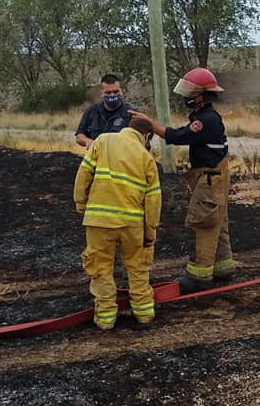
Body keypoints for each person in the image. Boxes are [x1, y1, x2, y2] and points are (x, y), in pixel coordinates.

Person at [132, 67, 235, 293]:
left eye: (190, 92)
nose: (186, 97)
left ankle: (198, 274)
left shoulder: (207, 120)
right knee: (217, 220)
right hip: (213, 177)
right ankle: (222, 266)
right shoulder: (204, 116)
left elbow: (176, 136)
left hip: (209, 178)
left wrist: (150, 124)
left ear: (201, 95)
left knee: (201, 222)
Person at [73, 117, 162, 329]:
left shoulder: (103, 141)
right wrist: (150, 232)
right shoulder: (145, 157)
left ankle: (105, 318)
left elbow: (83, 174)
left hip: (99, 221)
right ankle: (144, 313)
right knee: (138, 267)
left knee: (100, 269)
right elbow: (153, 200)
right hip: (132, 224)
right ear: (147, 136)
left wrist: (82, 205)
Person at [74, 74, 136, 148]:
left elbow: (140, 140)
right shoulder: (91, 111)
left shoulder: (131, 113)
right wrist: (87, 141)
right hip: (97, 156)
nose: (112, 95)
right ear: (101, 93)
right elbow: (79, 136)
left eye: (116, 92)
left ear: (121, 91)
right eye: (108, 92)